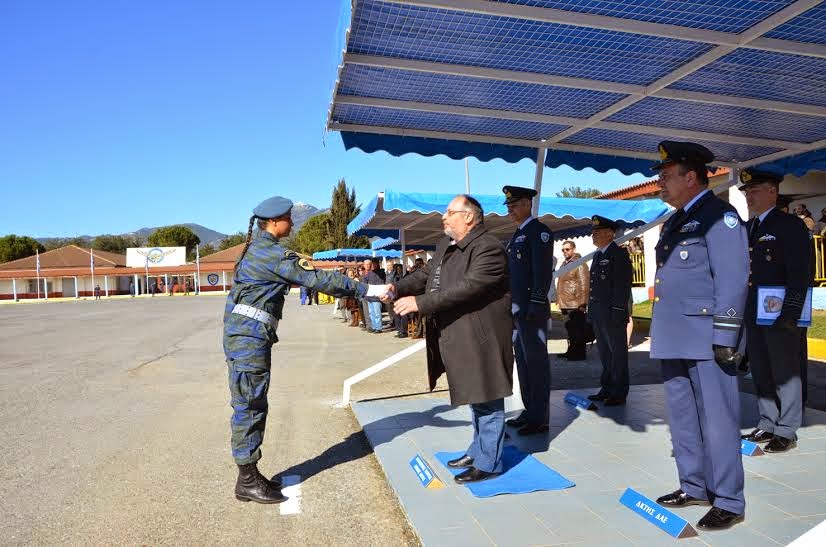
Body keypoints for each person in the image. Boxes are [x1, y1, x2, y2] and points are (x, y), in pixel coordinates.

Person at [223, 195, 386, 504]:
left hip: (248, 335)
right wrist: (367, 289)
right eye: (288, 217)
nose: (293, 222)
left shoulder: (258, 250)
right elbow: (317, 278)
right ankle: (246, 479)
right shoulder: (271, 254)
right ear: (273, 222)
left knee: (253, 401)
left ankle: (250, 474)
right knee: (250, 403)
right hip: (248, 339)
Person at [649, 141, 749, 531]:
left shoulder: (719, 217)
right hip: (674, 334)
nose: (661, 183)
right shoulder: (675, 221)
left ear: (691, 178)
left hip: (708, 337)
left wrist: (727, 334)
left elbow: (733, 277)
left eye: (666, 177)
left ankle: (729, 499)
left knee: (719, 421)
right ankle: (693, 486)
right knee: (682, 418)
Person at [388, 194, 513, 483]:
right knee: (474, 393)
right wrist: (397, 288)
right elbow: (427, 276)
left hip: (483, 335)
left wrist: (420, 304)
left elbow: (469, 288)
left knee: (488, 394)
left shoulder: (488, 248)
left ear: (469, 217)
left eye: (449, 212)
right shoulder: (447, 246)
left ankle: (489, 462)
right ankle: (478, 449)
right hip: (460, 332)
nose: (443, 217)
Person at [739, 169, 810, 453]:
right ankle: (768, 422)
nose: (748, 197)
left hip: (781, 313)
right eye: (746, 192)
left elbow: (800, 272)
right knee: (761, 368)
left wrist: (791, 311)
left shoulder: (789, 225)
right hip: (754, 310)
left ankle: (787, 429)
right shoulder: (748, 228)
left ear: (772, 191)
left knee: (786, 370)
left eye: (754, 190)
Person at [501, 185, 555, 436]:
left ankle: (539, 418)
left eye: (514, 205)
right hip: (517, 311)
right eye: (508, 206)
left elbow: (542, 273)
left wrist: (534, 303)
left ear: (526, 205)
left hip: (531, 311)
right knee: (522, 363)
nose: (510, 210)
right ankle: (529, 410)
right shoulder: (517, 234)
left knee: (536, 364)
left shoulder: (539, 232)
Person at [586, 216, 633, 406]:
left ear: (609, 234)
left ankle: (619, 392)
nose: (593, 236)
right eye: (593, 233)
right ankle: (606, 387)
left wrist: (617, 310)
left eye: (597, 233)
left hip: (613, 314)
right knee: (605, 354)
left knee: (618, 354)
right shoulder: (598, 255)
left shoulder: (618, 254)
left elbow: (622, 286)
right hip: (599, 313)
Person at [556, 240, 590, 361]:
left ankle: (579, 353)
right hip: (565, 302)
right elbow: (561, 283)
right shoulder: (564, 264)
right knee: (570, 329)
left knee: (578, 330)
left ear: (574, 250)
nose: (565, 252)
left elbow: (584, 285)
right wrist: (558, 300)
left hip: (576, 303)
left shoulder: (579, 263)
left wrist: (583, 304)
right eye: (563, 250)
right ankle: (571, 351)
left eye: (567, 249)